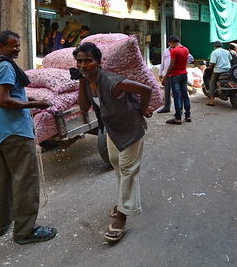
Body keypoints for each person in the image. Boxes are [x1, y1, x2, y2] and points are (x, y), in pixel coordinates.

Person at [0, 30, 57, 245]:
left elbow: (5, 95)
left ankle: (2, 224)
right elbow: (4, 101)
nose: (18, 48)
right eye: (13, 45)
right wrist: (35, 104)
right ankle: (25, 231)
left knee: (5, 181)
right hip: (15, 132)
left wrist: (26, 97)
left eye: (18, 44)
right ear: (1, 46)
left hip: (1, 132)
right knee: (26, 181)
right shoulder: (5, 66)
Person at [73, 42, 152, 242]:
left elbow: (146, 90)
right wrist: (82, 83)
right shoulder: (87, 83)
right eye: (80, 61)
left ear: (98, 62)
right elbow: (83, 107)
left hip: (131, 129)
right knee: (117, 166)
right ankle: (124, 201)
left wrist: (142, 110)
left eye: (88, 61)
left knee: (128, 169)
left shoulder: (113, 81)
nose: (83, 65)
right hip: (112, 130)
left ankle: (122, 217)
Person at [164, 35, 191, 125]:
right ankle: (188, 115)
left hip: (175, 75)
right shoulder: (186, 49)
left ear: (172, 42)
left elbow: (172, 65)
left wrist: (165, 76)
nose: (169, 45)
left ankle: (178, 117)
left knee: (177, 96)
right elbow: (187, 61)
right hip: (184, 74)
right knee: (185, 94)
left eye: (169, 43)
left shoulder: (174, 51)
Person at [158, 48, 194, 114]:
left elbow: (190, 58)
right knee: (167, 91)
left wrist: (182, 64)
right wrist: (160, 73)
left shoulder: (180, 50)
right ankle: (167, 107)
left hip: (176, 74)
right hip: (169, 73)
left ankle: (179, 111)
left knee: (178, 94)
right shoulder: (166, 51)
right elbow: (162, 62)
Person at [206, 41, 232, 106]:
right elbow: (230, 59)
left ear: (214, 46)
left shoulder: (214, 52)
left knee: (212, 83)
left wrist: (209, 67)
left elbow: (213, 63)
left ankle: (211, 101)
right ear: (221, 45)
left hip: (218, 71)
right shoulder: (227, 51)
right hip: (228, 70)